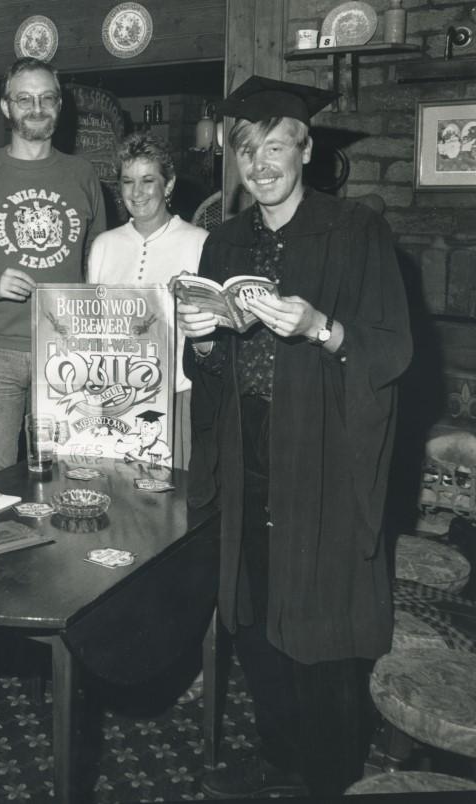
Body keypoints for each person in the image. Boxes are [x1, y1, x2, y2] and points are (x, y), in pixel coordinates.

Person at [179, 76, 413, 799]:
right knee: (252, 614)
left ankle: (328, 777)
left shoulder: (356, 232)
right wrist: (203, 343)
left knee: (322, 628)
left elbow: (391, 349)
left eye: (276, 146)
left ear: (305, 150)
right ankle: (279, 755)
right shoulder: (224, 240)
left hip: (322, 458)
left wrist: (320, 328)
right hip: (248, 452)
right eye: (247, 149)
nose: (261, 162)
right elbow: (207, 372)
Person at [0, 57, 106, 471]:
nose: (36, 108)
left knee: (70, 465)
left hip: (65, 348)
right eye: (25, 99)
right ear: (6, 106)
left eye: (47, 98)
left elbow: (98, 259)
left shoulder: (83, 174)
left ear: (60, 105)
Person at [87, 132, 208, 468]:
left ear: (168, 186)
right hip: (115, 396)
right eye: (128, 182)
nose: (136, 193)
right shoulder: (104, 245)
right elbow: (90, 329)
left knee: (172, 501)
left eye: (147, 180)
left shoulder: (199, 243)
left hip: (176, 395)